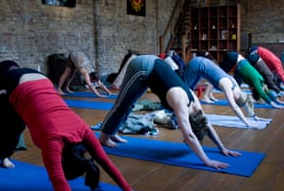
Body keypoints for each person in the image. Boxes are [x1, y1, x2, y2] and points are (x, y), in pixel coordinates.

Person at [0, 64, 152, 191]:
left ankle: (3, 155)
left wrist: (128, 190)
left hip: (40, 81)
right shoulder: (52, 141)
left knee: (16, 128)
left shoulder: (83, 129)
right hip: (11, 82)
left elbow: (104, 160)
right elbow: (58, 181)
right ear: (63, 159)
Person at [99, 54, 242, 170]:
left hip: (153, 70)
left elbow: (206, 124)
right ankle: (104, 137)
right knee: (122, 104)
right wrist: (207, 161)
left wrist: (222, 148)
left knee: (129, 105)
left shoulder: (196, 106)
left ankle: (112, 131)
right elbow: (190, 135)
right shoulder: (181, 103)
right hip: (142, 66)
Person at [182, 55, 263, 128]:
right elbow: (234, 107)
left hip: (201, 64)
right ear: (235, 97)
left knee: (189, 91)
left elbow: (245, 102)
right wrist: (247, 123)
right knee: (183, 90)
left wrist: (254, 116)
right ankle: (173, 112)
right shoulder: (227, 86)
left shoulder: (237, 88)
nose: (233, 99)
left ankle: (183, 112)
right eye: (235, 99)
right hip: (196, 64)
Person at [220, 52, 284, 109]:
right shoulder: (256, 82)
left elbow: (267, 91)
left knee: (235, 84)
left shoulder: (260, 80)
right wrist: (274, 105)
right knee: (223, 72)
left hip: (242, 61)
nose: (250, 89)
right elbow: (262, 92)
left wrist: (278, 101)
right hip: (236, 60)